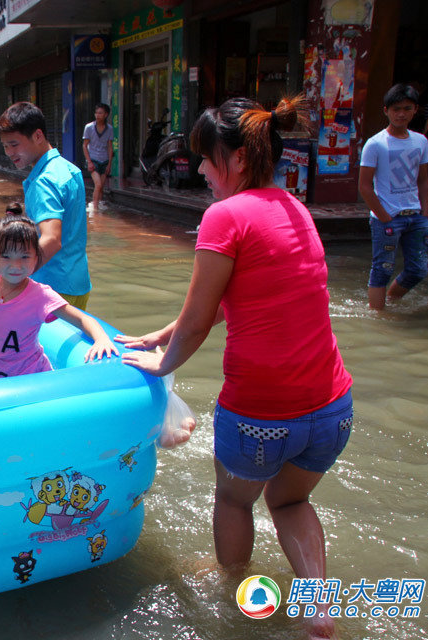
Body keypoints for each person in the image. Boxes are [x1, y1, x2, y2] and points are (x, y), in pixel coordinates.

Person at [118, 95, 353, 640]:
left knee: (233, 499)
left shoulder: (223, 217)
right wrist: (164, 333)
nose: (199, 169)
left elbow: (200, 323)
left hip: (261, 416)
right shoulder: (293, 207)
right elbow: (249, 298)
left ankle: (235, 594)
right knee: (291, 499)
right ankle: (319, 611)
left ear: (239, 159)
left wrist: (160, 364)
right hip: (332, 406)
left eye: (206, 157)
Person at [0, 205, 117, 379]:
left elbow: (82, 318)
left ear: (36, 258)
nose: (16, 265)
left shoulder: (39, 295)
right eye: (7, 256)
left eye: (25, 256)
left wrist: (101, 339)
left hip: (33, 379)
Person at [0, 101, 92, 310]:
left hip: (52, 286)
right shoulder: (68, 169)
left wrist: (14, 276)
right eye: (5, 146)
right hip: (78, 283)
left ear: (38, 136)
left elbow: (52, 239)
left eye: (14, 144)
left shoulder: (44, 181)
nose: (9, 152)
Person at [359, 83, 428, 310]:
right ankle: (378, 317)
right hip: (388, 217)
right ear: (386, 111)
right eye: (396, 109)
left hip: (416, 216)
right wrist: (384, 216)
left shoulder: (421, 141)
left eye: (406, 108)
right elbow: (364, 185)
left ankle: (392, 300)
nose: (401, 113)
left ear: (415, 110)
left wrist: (425, 213)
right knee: (382, 269)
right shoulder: (375, 144)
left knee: (418, 269)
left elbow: (423, 180)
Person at [82, 102, 114, 212]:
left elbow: (110, 147)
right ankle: (94, 210)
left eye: (100, 113)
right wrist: (89, 161)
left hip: (104, 161)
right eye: (96, 113)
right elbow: (85, 145)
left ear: (106, 114)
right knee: (98, 184)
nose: (97, 115)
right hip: (93, 159)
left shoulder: (109, 129)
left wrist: (109, 163)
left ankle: (98, 207)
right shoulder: (89, 127)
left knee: (101, 188)